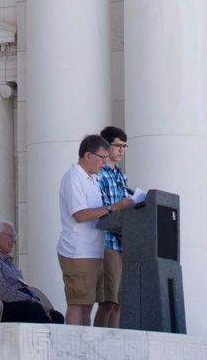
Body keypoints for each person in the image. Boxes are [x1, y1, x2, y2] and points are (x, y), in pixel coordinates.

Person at [57, 134, 133, 326]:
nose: (104, 163)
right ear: (87, 155)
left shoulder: (93, 179)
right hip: (78, 251)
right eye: (102, 157)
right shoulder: (74, 177)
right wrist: (112, 207)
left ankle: (86, 345)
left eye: (107, 158)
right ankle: (73, 347)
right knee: (78, 303)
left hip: (94, 250)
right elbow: (80, 215)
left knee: (89, 304)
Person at [0, 222, 65, 323]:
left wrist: (36, 301)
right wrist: (32, 300)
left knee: (57, 317)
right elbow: (0, 291)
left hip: (16, 304)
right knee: (34, 310)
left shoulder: (5, 261)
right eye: (11, 236)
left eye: (15, 237)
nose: (13, 241)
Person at [95, 124, 130, 327]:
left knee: (118, 302)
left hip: (123, 242)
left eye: (124, 146)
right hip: (107, 241)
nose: (121, 151)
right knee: (107, 300)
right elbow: (100, 207)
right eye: (118, 146)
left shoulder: (121, 175)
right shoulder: (100, 174)